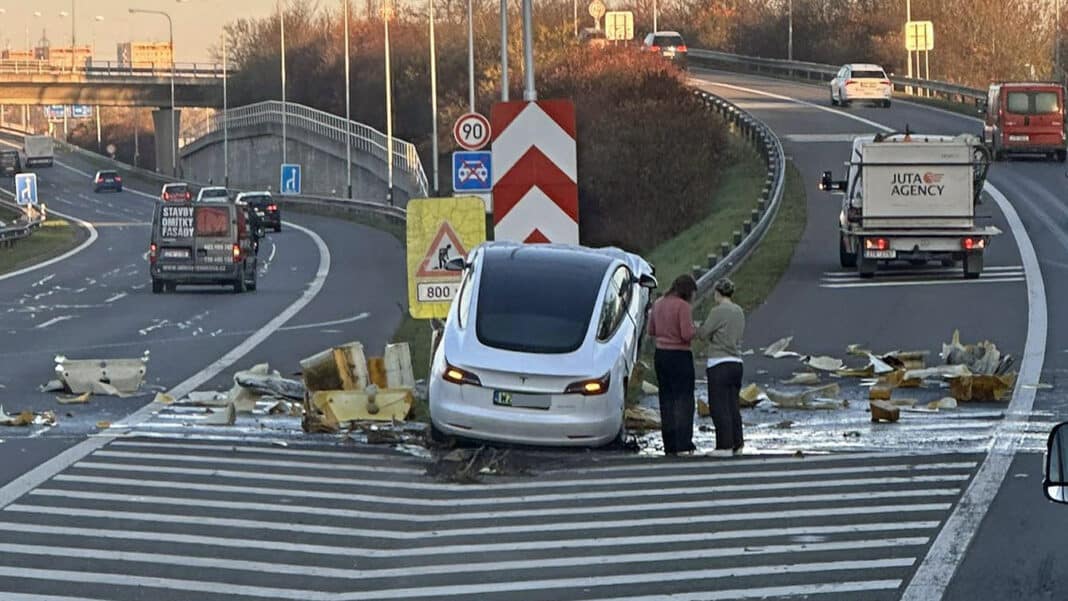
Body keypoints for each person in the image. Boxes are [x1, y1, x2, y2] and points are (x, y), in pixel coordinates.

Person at [646, 274, 698, 456]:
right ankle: (684, 442)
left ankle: (669, 442)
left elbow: (651, 330)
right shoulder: (683, 307)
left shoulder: (658, 303)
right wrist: (695, 329)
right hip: (680, 355)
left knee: (666, 400)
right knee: (684, 400)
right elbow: (686, 334)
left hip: (661, 355)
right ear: (687, 291)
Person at [697, 277, 746, 456]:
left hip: (719, 362)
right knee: (733, 405)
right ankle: (737, 443)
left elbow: (703, 333)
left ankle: (724, 445)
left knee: (719, 406)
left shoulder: (718, 311)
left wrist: (708, 335)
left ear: (717, 293)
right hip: (736, 362)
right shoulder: (739, 311)